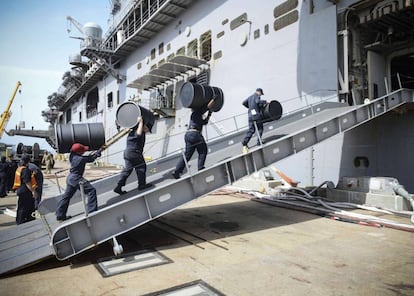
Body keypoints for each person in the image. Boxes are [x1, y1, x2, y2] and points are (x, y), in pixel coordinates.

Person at [55, 143, 104, 221]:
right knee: (91, 191)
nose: (84, 152)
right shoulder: (80, 159)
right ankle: (92, 212)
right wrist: (98, 152)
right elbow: (90, 159)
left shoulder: (72, 155)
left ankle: (60, 215)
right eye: (82, 151)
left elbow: (85, 157)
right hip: (76, 178)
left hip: (70, 178)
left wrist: (93, 153)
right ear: (78, 152)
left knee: (66, 197)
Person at [172, 99, 214, 179]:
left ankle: (177, 171)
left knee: (187, 155)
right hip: (195, 134)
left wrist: (209, 114)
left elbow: (204, 122)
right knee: (203, 150)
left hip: (188, 135)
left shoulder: (194, 115)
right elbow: (208, 106)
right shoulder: (197, 112)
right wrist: (214, 99)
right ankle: (200, 167)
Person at [114, 116, 153, 195]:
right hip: (134, 153)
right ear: (144, 126)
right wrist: (141, 122)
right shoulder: (139, 131)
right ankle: (142, 185)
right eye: (147, 129)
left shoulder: (132, 132)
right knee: (141, 167)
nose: (148, 131)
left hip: (127, 153)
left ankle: (119, 186)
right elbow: (138, 134)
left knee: (128, 170)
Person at [241, 88, 267, 154]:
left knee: (251, 130)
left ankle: (245, 142)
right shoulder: (257, 96)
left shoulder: (250, 97)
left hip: (250, 116)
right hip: (256, 116)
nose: (261, 95)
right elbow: (258, 101)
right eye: (261, 94)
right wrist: (265, 102)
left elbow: (243, 103)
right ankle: (259, 141)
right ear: (259, 92)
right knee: (260, 128)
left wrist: (250, 107)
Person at [13, 154, 38, 224]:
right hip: (26, 191)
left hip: (20, 190)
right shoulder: (25, 170)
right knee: (26, 207)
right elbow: (27, 182)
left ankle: (20, 221)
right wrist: (33, 191)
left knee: (21, 207)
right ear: (29, 161)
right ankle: (23, 222)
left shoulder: (19, 168)